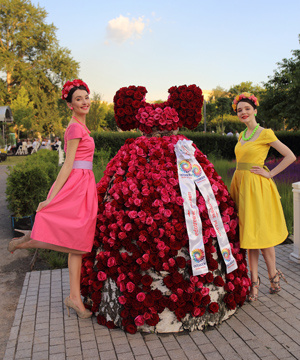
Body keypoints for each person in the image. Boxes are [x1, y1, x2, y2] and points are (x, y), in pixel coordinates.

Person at [8, 79, 98, 318]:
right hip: (78, 184)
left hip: (85, 182)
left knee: (78, 245)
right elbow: (67, 165)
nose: (84, 102)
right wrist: (52, 197)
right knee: (78, 241)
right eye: (78, 99)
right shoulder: (75, 128)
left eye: (86, 97)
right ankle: (28, 241)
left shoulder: (80, 126)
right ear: (70, 104)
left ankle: (74, 298)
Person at [230, 92, 296, 302]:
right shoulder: (241, 136)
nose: (243, 112)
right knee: (249, 236)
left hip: (257, 188)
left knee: (262, 235)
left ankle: (273, 277)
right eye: (239, 110)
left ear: (255, 110)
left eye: (247, 109)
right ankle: (255, 284)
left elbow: (290, 156)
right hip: (241, 186)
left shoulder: (265, 133)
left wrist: (270, 173)